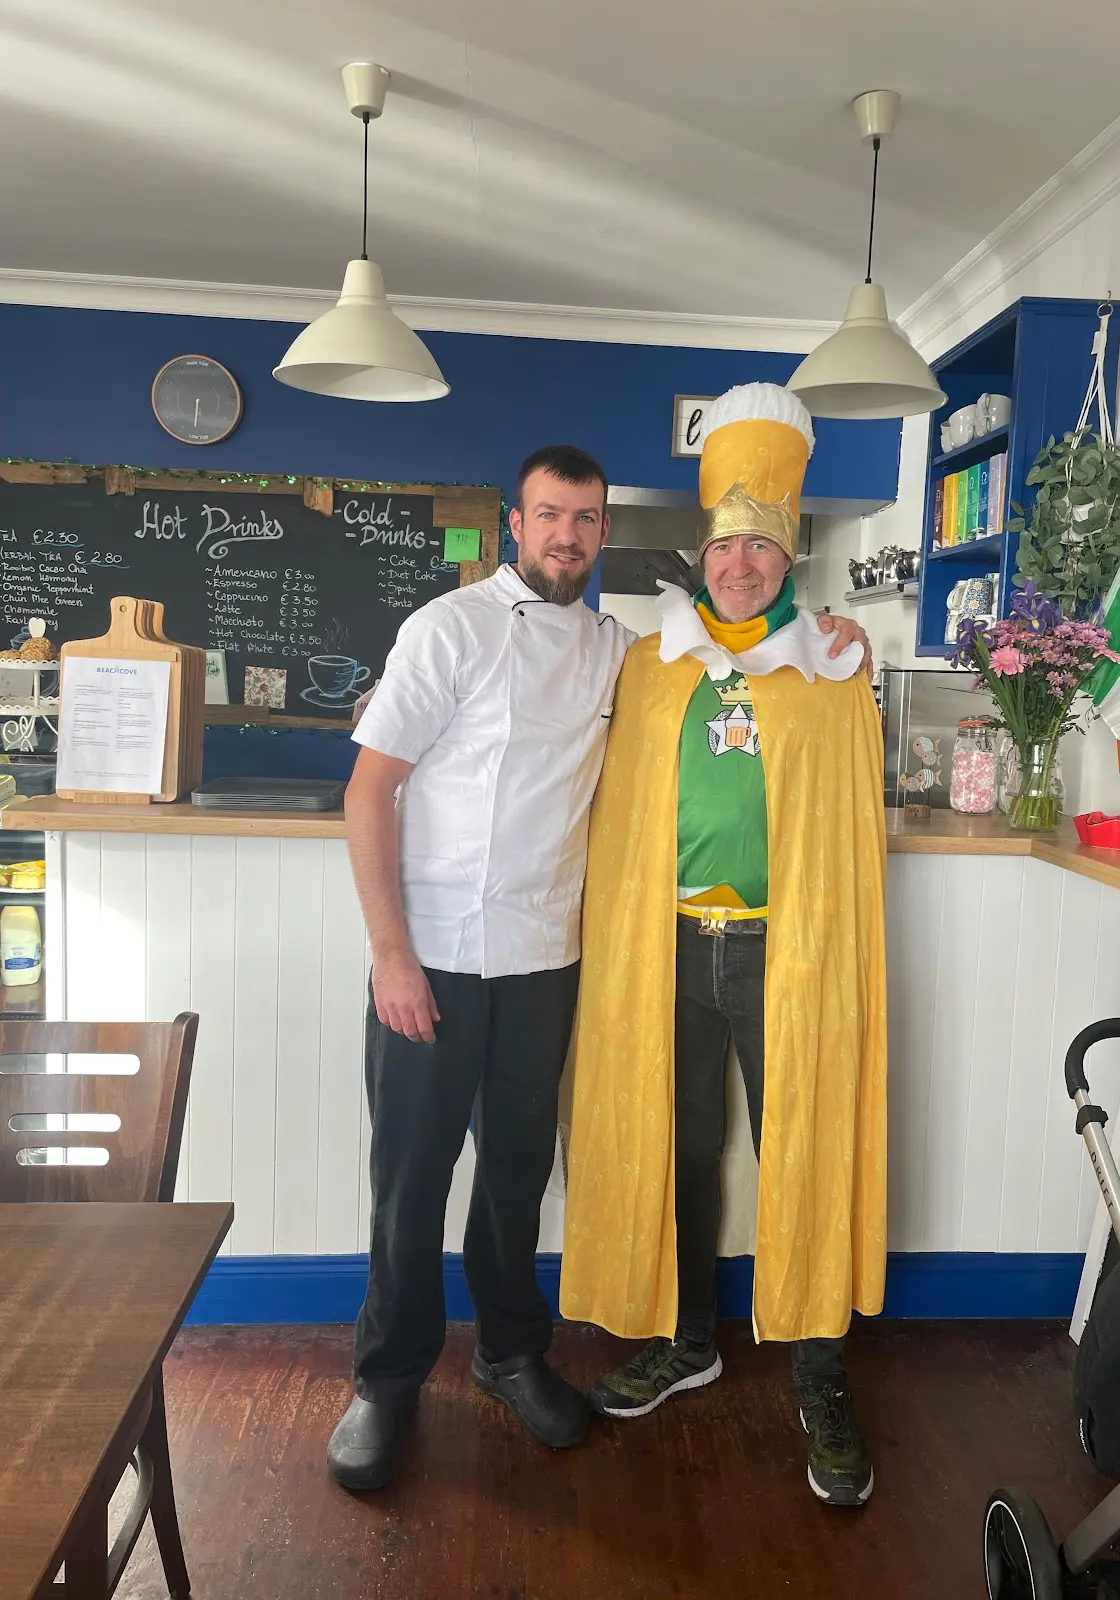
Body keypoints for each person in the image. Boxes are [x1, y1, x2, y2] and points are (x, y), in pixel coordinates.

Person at [328, 439, 873, 1493]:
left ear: (605, 532)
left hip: (544, 960)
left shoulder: (621, 650)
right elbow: (368, 789)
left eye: (585, 519)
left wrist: (831, 630)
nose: (567, 536)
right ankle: (386, 1381)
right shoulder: (448, 629)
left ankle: (508, 1354)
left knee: (516, 1177)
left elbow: (744, 654)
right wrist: (389, 953)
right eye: (549, 515)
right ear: (515, 525)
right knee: (410, 1182)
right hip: (433, 958)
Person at [559, 384, 888, 1509]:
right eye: (723, 545)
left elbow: (844, 826)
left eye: (759, 546)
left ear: (788, 556)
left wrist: (851, 643)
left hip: (786, 951)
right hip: (668, 945)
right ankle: (687, 1337)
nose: (738, 564)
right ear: (699, 554)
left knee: (806, 1142)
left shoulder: (833, 669)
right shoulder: (650, 664)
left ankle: (820, 1373)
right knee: (681, 1144)